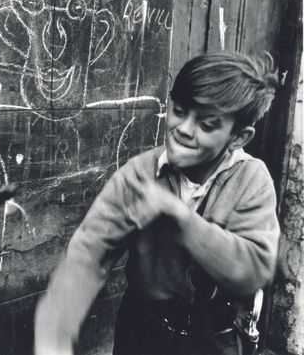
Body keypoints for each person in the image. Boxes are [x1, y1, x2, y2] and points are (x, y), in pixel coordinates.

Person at [34, 51, 280, 355]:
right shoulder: (139, 175)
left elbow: (253, 270)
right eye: (178, 110)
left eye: (207, 125)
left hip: (215, 338)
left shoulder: (251, 180)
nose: (184, 129)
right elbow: (87, 257)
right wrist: (54, 337)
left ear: (238, 137)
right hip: (143, 331)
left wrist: (180, 219)